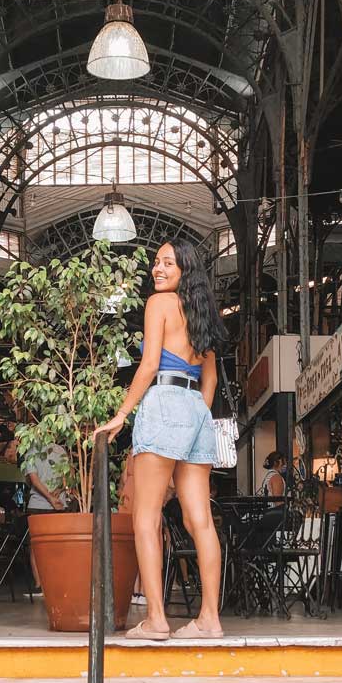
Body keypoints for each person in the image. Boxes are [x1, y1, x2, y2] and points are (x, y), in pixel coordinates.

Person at [95, 238, 226, 640]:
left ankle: (156, 619)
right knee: (199, 520)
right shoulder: (201, 312)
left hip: (165, 403)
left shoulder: (158, 304)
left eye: (168, 263)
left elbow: (150, 364)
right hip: (197, 411)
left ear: (185, 268)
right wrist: (196, 416)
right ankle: (209, 619)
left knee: (146, 517)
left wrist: (120, 414)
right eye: (156, 262)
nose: (158, 269)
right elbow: (211, 379)